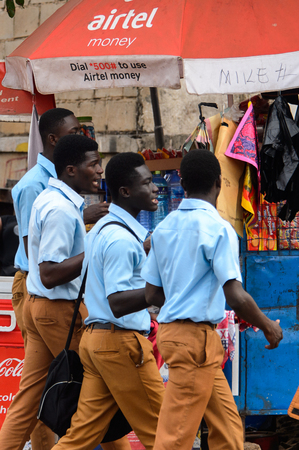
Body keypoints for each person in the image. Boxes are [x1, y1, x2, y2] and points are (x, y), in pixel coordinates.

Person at [141, 149, 283, 450]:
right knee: (175, 438)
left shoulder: (163, 228)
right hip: (195, 341)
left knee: (228, 429)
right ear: (219, 184)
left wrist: (181, 298)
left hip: (178, 336)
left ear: (183, 182)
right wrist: (268, 325)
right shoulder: (219, 229)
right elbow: (235, 295)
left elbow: (152, 293)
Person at [0, 135, 128, 450]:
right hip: (58, 310)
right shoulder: (59, 208)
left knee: (30, 396)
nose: (100, 171)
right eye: (94, 164)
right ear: (71, 169)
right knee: (99, 389)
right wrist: (95, 249)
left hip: (43, 308)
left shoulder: (57, 200)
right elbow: (49, 272)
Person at [51, 152, 165, 450]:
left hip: (99, 342)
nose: (156, 189)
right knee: (165, 432)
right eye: (148, 183)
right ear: (125, 191)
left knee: (80, 437)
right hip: (120, 344)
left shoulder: (104, 229)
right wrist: (157, 292)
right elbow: (117, 301)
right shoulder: (120, 240)